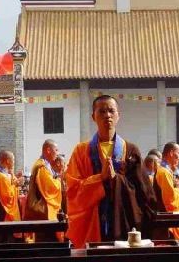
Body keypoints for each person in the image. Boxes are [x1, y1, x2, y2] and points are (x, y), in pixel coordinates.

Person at [65, 95, 156, 248]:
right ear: (93, 116)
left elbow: (144, 193)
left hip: (124, 221)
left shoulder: (130, 150)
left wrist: (117, 180)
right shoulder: (81, 152)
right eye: (102, 111)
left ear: (118, 115)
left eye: (111, 111)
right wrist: (100, 178)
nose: (107, 115)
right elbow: (73, 190)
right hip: (93, 222)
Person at [153, 142, 179, 240]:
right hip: (166, 223)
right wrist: (178, 188)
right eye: (178, 153)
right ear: (171, 153)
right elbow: (170, 199)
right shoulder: (163, 172)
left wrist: (175, 186)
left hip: (165, 221)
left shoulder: (165, 171)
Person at [25, 140, 62, 223]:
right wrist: (59, 180)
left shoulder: (45, 164)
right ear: (48, 150)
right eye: (56, 150)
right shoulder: (41, 166)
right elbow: (49, 187)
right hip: (42, 209)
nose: (58, 153)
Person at [0, 150, 22, 222]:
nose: (14, 162)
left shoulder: (2, 174)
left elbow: (9, 185)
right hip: (3, 214)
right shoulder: (1, 176)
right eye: (13, 160)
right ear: (8, 161)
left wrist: (15, 178)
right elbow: (8, 197)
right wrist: (16, 185)